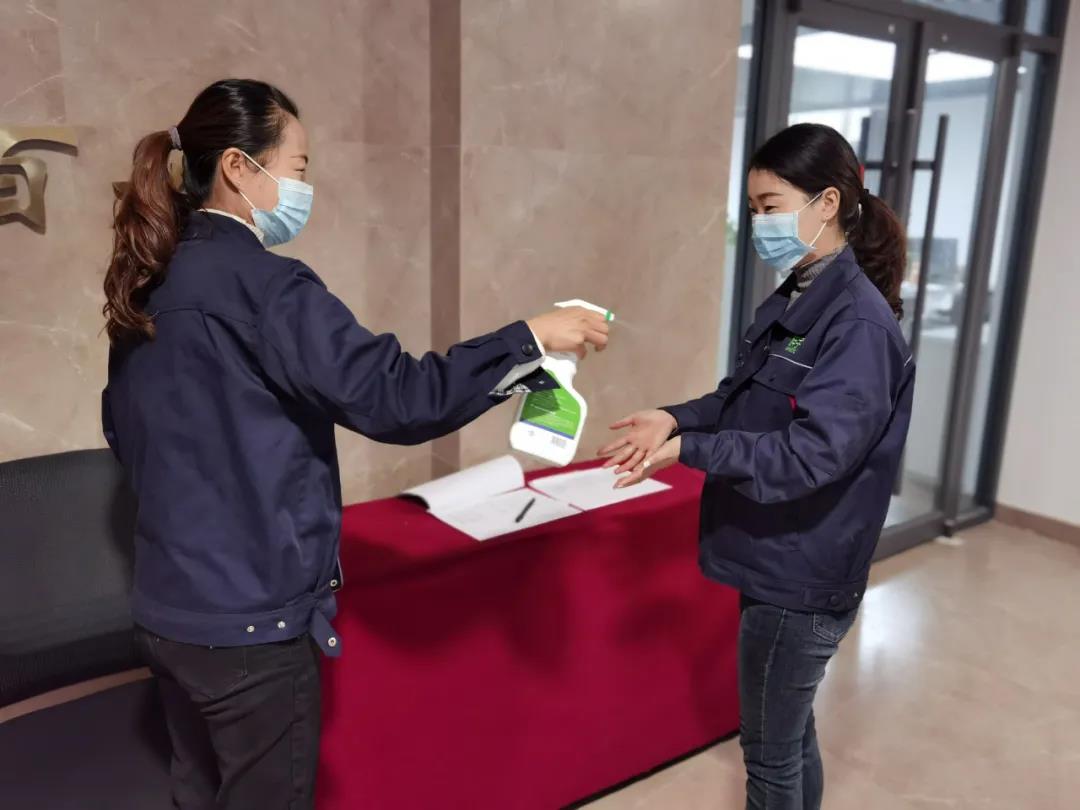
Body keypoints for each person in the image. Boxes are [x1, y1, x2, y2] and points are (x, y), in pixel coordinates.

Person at [100, 78, 610, 810]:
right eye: (298, 167)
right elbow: (397, 397)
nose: (304, 187)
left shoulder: (149, 282)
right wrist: (526, 339)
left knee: (197, 793)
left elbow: (124, 432)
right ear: (240, 167)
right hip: (249, 626)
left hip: (168, 613)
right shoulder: (266, 287)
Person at [601, 123, 914, 810]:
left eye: (771, 207)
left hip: (804, 574)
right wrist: (674, 418)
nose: (759, 225)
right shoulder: (799, 295)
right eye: (752, 209)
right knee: (791, 739)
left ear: (827, 203)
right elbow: (737, 400)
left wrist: (690, 451)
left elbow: (812, 453)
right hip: (778, 556)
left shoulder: (857, 325)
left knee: (770, 760)